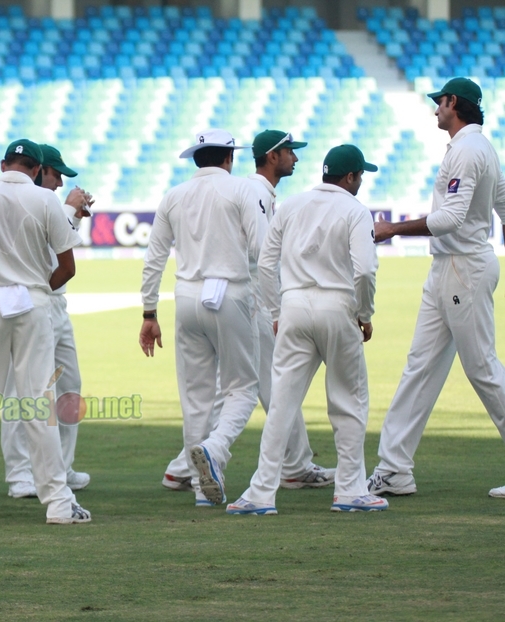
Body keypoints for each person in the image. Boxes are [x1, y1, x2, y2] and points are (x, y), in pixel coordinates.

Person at [161, 130, 335, 500]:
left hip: (221, 298)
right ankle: (291, 465)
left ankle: (185, 468)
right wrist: (277, 306)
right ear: (272, 156)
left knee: (250, 385)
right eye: (289, 151)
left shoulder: (250, 191)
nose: (296, 158)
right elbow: (263, 257)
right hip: (248, 301)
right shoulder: (250, 191)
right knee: (261, 385)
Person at [228, 144, 385, 514]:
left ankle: (260, 493)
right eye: (360, 176)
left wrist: (276, 310)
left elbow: (266, 263)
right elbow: (364, 270)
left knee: (282, 403)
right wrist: (364, 312)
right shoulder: (355, 210)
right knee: (348, 401)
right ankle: (349, 490)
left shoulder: (293, 204)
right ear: (349, 177)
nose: (360, 182)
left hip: (294, 306)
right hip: (337, 306)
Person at [368, 77, 505, 499]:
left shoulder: (466, 151)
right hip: (453, 266)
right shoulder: (480, 148)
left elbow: (451, 218)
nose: (435, 110)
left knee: (481, 368)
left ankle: (393, 468)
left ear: (455, 103)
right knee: (420, 366)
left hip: (462, 266)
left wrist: (394, 228)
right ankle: (393, 470)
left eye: (439, 102)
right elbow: (502, 201)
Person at [0, 139, 91, 524]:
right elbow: (67, 267)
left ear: (5, 163)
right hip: (33, 302)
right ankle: (58, 502)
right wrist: (37, 286)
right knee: (39, 400)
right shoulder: (44, 200)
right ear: (36, 167)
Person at [139, 129, 264, 507]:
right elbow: (261, 250)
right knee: (243, 388)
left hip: (187, 297)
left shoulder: (174, 196)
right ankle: (216, 449)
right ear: (228, 158)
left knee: (196, 398)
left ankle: (201, 488)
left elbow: (154, 258)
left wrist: (149, 312)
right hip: (231, 292)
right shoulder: (242, 189)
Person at [1, 143, 93, 498]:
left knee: (69, 388)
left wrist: (70, 216)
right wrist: (68, 212)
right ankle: (21, 474)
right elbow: (45, 262)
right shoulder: (25, 202)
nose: (58, 184)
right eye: (55, 175)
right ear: (39, 171)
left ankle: (60, 467)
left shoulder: (49, 204)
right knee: (21, 392)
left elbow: (60, 260)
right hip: (30, 304)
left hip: (56, 305)